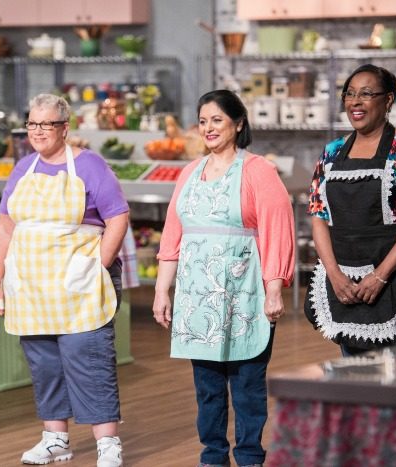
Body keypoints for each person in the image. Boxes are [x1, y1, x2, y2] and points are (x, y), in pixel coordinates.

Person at [152, 89, 295, 467]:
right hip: (197, 296)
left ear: (238, 123)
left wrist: (274, 288)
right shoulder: (188, 173)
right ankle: (212, 457)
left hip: (245, 291)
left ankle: (250, 458)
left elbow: (278, 228)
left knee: (247, 384)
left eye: (217, 120)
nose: (209, 128)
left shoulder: (258, 171)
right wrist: (162, 289)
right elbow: (172, 235)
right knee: (208, 388)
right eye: (203, 121)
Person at [0, 94, 129, 467]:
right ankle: (55, 439)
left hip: (80, 284)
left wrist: (98, 264)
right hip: (31, 287)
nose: (37, 131)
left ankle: (107, 445)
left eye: (46, 124)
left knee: (89, 359)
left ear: (64, 128)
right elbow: (5, 226)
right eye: (32, 124)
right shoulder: (22, 168)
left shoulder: (90, 166)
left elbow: (118, 217)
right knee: (45, 363)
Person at [304, 64, 396, 356]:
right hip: (343, 271)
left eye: (366, 94)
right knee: (351, 367)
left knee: (395, 366)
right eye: (349, 94)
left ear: (388, 100)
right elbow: (318, 215)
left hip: (392, 272)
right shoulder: (332, 152)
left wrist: (380, 275)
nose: (355, 102)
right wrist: (334, 274)